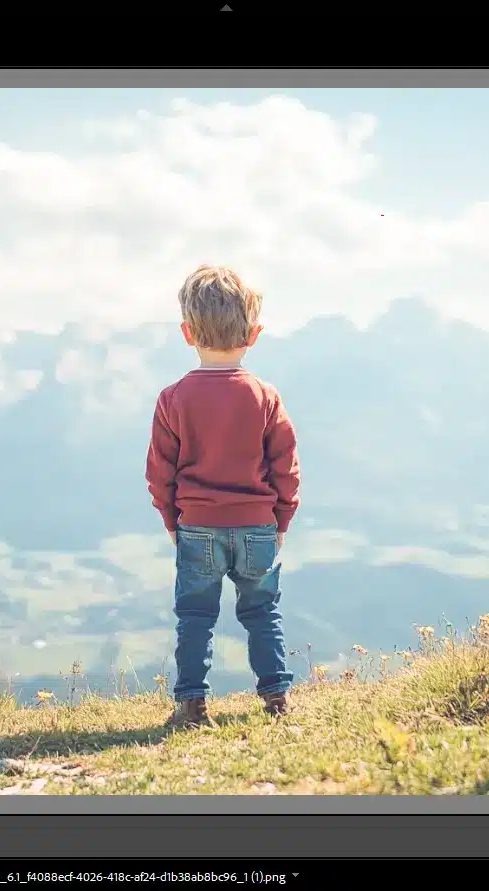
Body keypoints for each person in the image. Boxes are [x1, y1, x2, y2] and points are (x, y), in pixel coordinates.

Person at [146, 265, 301, 729]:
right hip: (258, 526)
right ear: (253, 335)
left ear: (187, 332)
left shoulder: (173, 398)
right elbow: (286, 469)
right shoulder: (264, 395)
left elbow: (160, 475)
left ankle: (192, 705)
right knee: (261, 612)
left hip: (198, 526)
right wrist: (281, 521)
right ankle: (276, 698)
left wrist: (174, 522)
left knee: (195, 616)